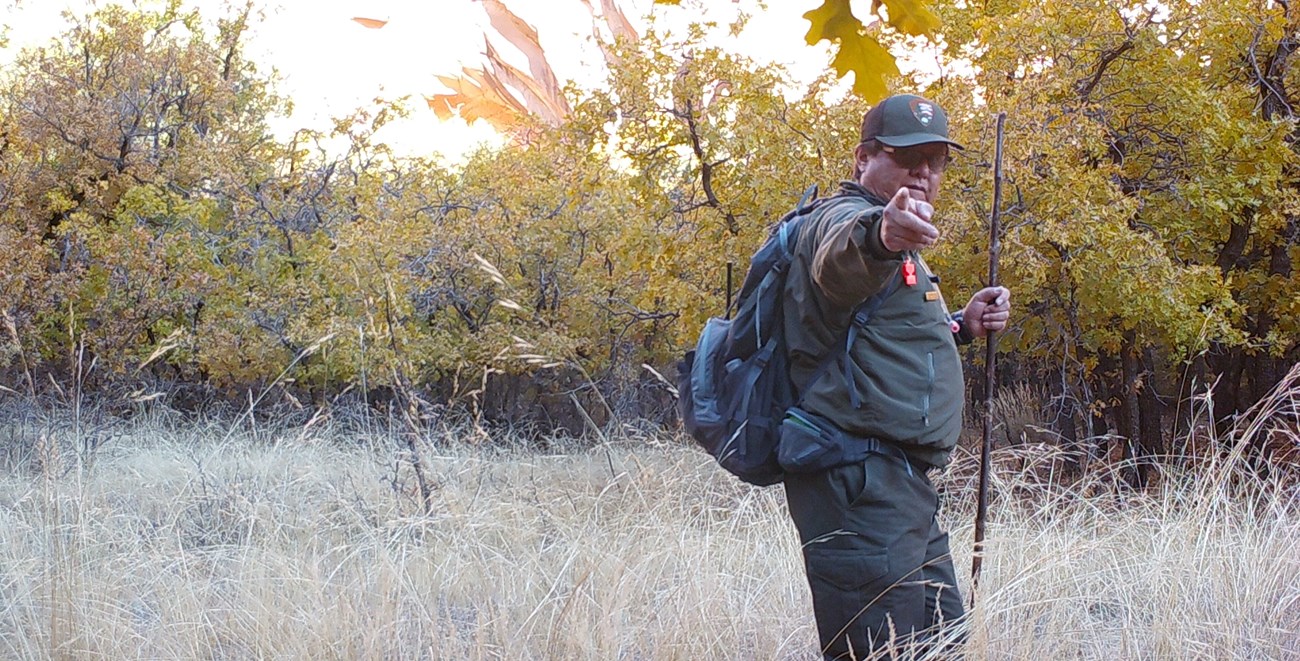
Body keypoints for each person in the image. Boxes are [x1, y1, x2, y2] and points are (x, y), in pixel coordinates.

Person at [779, 93, 1011, 659]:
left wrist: (961, 326)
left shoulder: (904, 244)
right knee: (884, 651)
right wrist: (881, 236)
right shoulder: (838, 220)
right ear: (863, 159)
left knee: (938, 645)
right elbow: (844, 254)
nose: (924, 173)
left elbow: (880, 337)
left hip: (898, 488)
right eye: (907, 156)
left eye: (935, 160)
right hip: (857, 482)